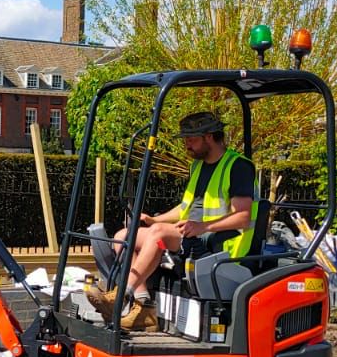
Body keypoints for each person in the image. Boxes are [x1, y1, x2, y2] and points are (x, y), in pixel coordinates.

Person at [88, 110, 258, 328]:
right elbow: (185, 208)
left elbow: (243, 217)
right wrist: (152, 220)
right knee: (124, 236)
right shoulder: (198, 166)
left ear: (209, 136)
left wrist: (202, 227)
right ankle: (143, 305)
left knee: (158, 234)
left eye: (191, 139)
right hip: (191, 235)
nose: (186, 144)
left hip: (220, 245)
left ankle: (121, 295)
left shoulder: (238, 167)